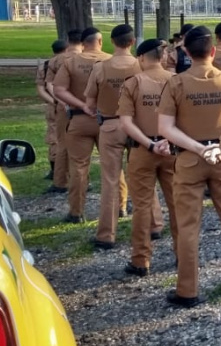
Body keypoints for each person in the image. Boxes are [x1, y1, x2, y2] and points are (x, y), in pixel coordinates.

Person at [158, 25, 221, 308]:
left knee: (187, 225)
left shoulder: (176, 83)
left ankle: (188, 290)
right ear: (213, 52)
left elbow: (165, 127)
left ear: (186, 52)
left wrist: (198, 148)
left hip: (189, 157)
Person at [84, 24, 152, 249]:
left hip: (111, 126)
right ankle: (154, 225)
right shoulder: (141, 67)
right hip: (138, 127)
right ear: (132, 42)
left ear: (112, 42)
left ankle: (106, 234)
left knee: (110, 180)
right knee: (144, 178)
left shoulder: (100, 68)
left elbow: (90, 102)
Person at [118, 39, 179, 276]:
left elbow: (126, 123)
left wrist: (151, 144)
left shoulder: (133, 83)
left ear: (141, 58)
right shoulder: (175, 81)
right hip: (173, 150)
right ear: (162, 57)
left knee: (142, 207)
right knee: (178, 206)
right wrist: (169, 142)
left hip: (144, 150)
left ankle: (141, 259)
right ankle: (182, 255)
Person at [53, 27, 113, 223]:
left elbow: (59, 90)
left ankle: (76, 212)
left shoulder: (71, 62)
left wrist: (82, 105)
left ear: (82, 43)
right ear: (100, 41)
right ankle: (119, 207)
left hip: (80, 119)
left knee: (79, 167)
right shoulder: (111, 61)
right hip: (108, 120)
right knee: (113, 166)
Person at [45, 30, 82, 194]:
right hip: (87, 108)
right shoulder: (93, 59)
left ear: (67, 41)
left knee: (62, 143)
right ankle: (82, 180)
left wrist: (61, 101)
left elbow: (50, 85)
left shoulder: (56, 60)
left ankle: (60, 182)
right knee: (84, 148)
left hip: (63, 107)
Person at [37, 39, 66, 181]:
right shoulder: (69, 62)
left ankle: (54, 170)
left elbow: (40, 89)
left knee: (53, 137)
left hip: (53, 107)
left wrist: (53, 101)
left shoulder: (45, 65)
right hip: (70, 104)